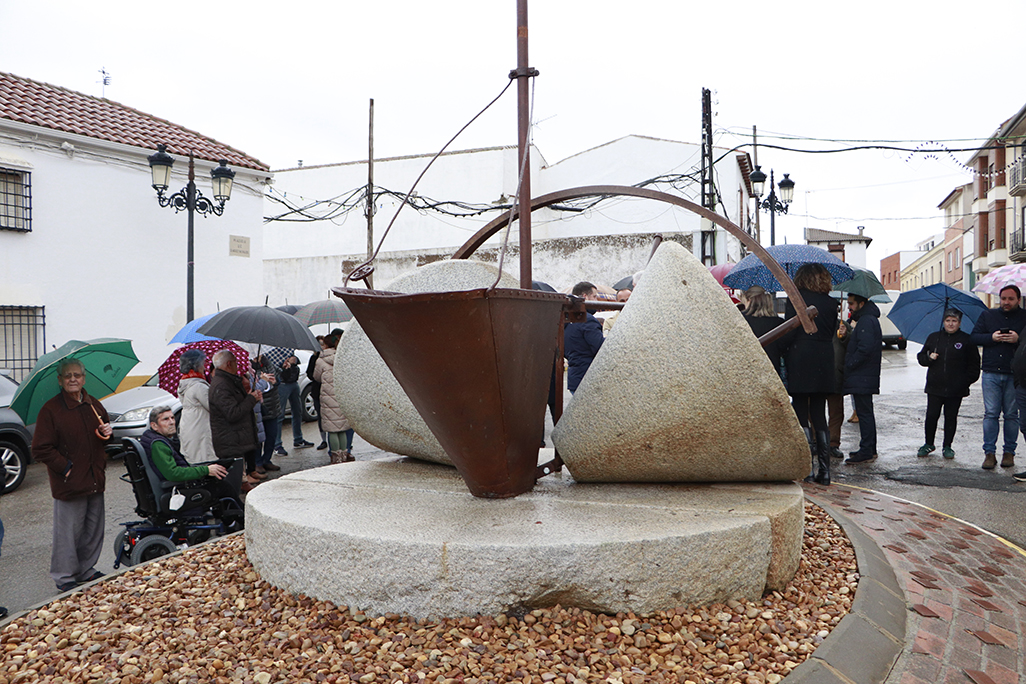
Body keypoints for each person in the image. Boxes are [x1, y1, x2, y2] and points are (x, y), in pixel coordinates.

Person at [31, 358, 112, 592]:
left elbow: (102, 433)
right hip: (69, 482)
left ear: (84, 378)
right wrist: (66, 467)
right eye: (68, 376)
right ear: (60, 380)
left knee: (93, 528)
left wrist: (107, 432)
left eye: (77, 375)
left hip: (94, 477)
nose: (73, 379)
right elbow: (40, 448)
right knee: (68, 532)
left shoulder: (92, 404)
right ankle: (64, 575)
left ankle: (85, 570)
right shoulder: (51, 410)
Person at [781, 264, 838, 485]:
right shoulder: (832, 302)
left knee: (800, 410)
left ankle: (806, 469)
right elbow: (830, 332)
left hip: (801, 356)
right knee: (819, 412)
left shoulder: (796, 299)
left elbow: (789, 330)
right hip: (824, 357)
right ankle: (825, 472)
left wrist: (783, 350)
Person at [140, 406, 244, 517]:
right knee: (222, 487)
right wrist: (206, 470)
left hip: (174, 486)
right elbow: (172, 474)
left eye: (172, 418)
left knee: (217, 481)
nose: (171, 422)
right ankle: (243, 521)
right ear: (154, 426)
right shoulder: (158, 445)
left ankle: (230, 521)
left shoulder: (154, 438)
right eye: (165, 419)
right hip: (175, 490)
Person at [970, 284, 1026, 470]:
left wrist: (1018, 340)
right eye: (1003, 299)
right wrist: (991, 338)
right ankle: (989, 454)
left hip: (1015, 374)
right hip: (991, 372)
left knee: (1011, 416)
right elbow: (974, 337)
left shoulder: (1025, 317)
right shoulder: (988, 315)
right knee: (991, 414)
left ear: (1018, 299)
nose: (1006, 302)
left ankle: (1009, 453)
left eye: (1010, 299)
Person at [916, 309, 981, 460]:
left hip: (956, 389)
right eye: (948, 320)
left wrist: (963, 382)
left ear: (959, 323)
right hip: (935, 387)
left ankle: (947, 446)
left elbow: (974, 367)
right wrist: (929, 358)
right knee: (931, 416)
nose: (951, 324)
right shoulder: (934, 338)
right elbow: (921, 358)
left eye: (954, 321)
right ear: (943, 322)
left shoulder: (967, 340)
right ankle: (929, 443)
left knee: (951, 417)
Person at [208, 349, 263, 487]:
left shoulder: (228, 381)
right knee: (233, 482)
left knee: (238, 478)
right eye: (235, 362)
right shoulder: (222, 385)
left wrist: (251, 398)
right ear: (228, 364)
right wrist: (251, 399)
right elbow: (232, 413)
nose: (237, 365)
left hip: (235, 437)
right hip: (229, 439)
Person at [844, 293, 884, 464]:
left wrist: (849, 364)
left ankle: (867, 450)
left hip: (862, 375)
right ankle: (869, 448)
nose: (849, 307)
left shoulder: (866, 320)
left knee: (864, 413)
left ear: (861, 303)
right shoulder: (867, 319)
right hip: (865, 375)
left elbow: (865, 348)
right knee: (866, 411)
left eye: (852, 304)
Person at [315, 333, 355, 464]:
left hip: (327, 397)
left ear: (325, 345)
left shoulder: (321, 360)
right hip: (341, 395)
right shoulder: (341, 357)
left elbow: (316, 377)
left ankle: (335, 457)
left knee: (332, 430)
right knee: (342, 427)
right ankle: (344, 453)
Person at [564, 281, 604, 394]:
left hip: (574, 378)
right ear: (585, 297)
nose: (596, 301)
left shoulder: (566, 319)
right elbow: (600, 348)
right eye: (594, 297)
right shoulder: (587, 319)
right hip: (589, 377)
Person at [177, 349, 215, 463]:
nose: (204, 368)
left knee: (194, 459)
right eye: (202, 364)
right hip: (200, 428)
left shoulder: (184, 383)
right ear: (196, 365)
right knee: (204, 461)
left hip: (189, 426)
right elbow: (213, 407)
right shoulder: (199, 386)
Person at [741, 285, 783, 377]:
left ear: (749, 300)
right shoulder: (778, 323)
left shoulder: (740, 320)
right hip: (771, 369)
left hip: (745, 369)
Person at [275, 355, 314, 454]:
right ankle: (277, 444)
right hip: (283, 384)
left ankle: (298, 439)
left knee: (298, 411)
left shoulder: (290, 348)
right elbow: (276, 370)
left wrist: (293, 362)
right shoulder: (276, 352)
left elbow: (297, 365)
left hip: (294, 382)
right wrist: (284, 366)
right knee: (280, 415)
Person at [252, 355, 282, 475]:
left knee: (272, 435)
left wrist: (275, 382)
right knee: (259, 437)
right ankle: (257, 462)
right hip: (259, 406)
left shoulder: (269, 363)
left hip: (272, 405)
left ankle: (267, 459)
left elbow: (278, 377)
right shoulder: (250, 368)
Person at [826, 318, 852, 459]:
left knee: (836, 412)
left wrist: (846, 336)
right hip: (820, 372)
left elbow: (852, 345)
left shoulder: (842, 324)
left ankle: (833, 443)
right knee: (814, 410)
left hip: (836, 373)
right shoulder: (817, 322)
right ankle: (817, 441)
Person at [307, 337, 328, 450]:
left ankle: (336, 438)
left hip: (328, 391)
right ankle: (324, 439)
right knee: (320, 416)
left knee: (332, 416)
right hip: (317, 391)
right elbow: (310, 374)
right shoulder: (314, 358)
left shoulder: (327, 358)